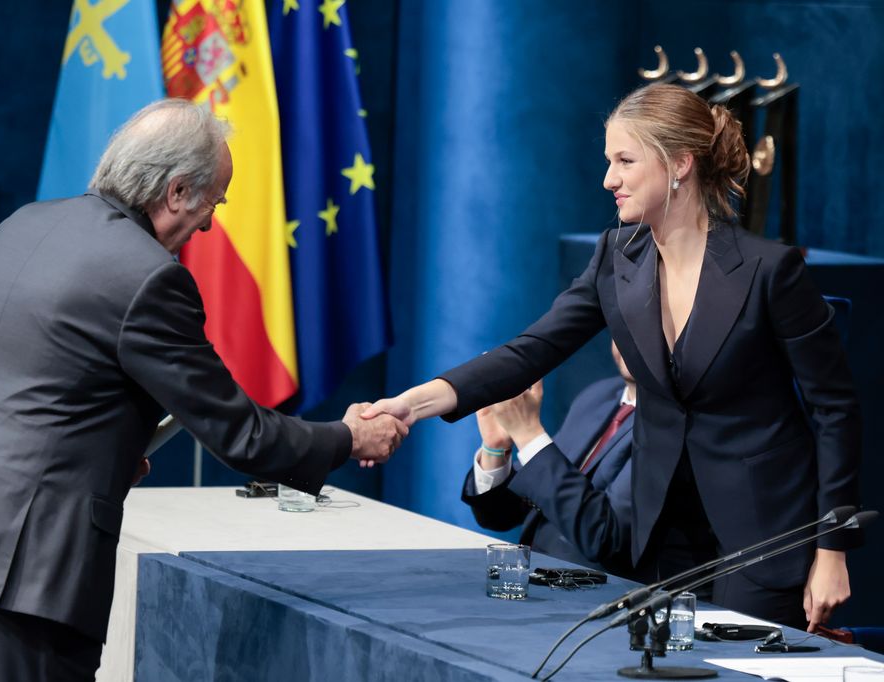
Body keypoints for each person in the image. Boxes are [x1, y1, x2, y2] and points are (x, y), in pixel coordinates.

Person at [0, 99, 408, 681]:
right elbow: (242, 435)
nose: (209, 224)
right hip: (14, 564)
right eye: (212, 202)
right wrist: (348, 437)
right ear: (176, 191)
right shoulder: (149, 277)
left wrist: (103, 452)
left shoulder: (21, 224)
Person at [364, 83, 860, 631]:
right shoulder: (614, 257)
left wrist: (832, 549)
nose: (609, 180)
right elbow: (528, 352)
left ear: (680, 164)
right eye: (608, 161)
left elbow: (834, 410)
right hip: (660, 536)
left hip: (762, 536)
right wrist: (409, 404)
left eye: (625, 160)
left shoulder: (771, 270)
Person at [462, 342, 636, 576]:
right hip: (528, 578)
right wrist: (496, 448)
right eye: (625, 321)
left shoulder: (673, 428)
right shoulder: (597, 396)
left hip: (595, 596)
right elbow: (501, 514)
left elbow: (604, 538)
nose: (633, 335)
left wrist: (527, 433)